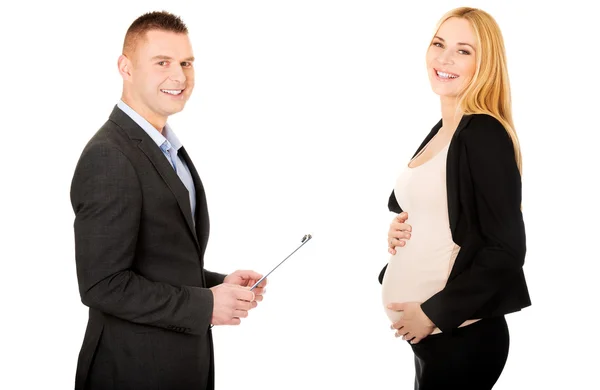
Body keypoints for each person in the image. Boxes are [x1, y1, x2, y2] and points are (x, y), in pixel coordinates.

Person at [70, 11, 267, 390]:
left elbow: (156, 262)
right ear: (126, 67)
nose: (179, 76)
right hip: (131, 371)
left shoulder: (166, 149)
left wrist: (218, 284)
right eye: (162, 63)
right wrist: (205, 305)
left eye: (186, 63)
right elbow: (102, 284)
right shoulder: (110, 156)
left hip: (179, 367)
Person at [378, 7, 531, 389]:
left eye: (463, 50)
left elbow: (507, 250)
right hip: (436, 341)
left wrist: (432, 313)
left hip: (462, 338)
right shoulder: (444, 129)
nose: (444, 58)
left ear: (486, 62)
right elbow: (434, 210)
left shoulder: (484, 132)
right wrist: (399, 230)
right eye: (438, 44)